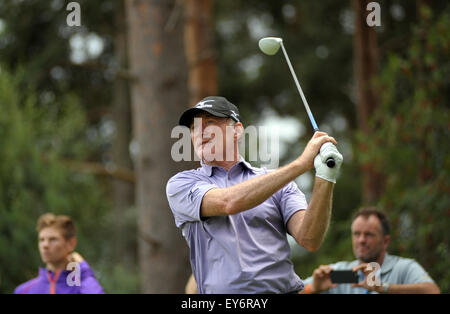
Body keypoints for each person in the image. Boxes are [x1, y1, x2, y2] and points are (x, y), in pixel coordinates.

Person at [166, 96, 343, 293]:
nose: (200, 131)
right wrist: (301, 164)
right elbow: (228, 202)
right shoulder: (181, 184)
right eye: (193, 128)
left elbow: (309, 239)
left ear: (237, 130)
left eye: (210, 122)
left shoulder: (278, 183)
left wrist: (325, 177)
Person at [301, 207, 440, 294]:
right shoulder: (341, 273)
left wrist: (383, 288)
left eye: (369, 234)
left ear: (385, 241)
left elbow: (432, 291)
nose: (361, 240)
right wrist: (312, 289)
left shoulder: (403, 268)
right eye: (356, 234)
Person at [14, 213, 104, 294]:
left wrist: (83, 271)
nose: (45, 245)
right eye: (41, 240)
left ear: (71, 244)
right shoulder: (24, 291)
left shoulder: (81, 287)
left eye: (53, 239)